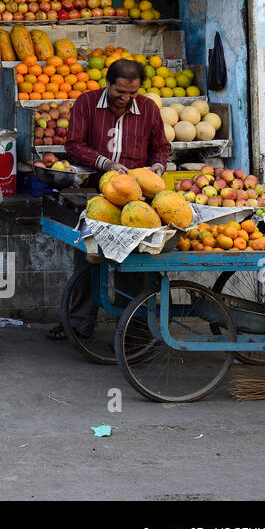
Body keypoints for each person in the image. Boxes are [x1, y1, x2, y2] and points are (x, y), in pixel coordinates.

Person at [53, 58, 169, 341]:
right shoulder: (86, 103)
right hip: (95, 195)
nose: (126, 99)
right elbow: (74, 146)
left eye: (133, 93)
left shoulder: (149, 109)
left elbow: (161, 148)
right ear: (108, 84)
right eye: (121, 92)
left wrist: (157, 168)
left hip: (135, 201)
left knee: (133, 264)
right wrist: (105, 163)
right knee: (88, 259)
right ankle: (79, 324)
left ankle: (134, 330)